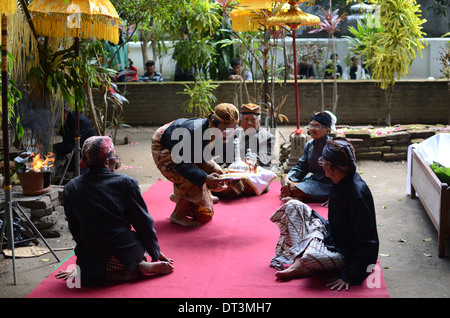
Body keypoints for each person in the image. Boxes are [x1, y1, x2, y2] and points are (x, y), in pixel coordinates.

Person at [57, 136, 174, 286]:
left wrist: (84, 256)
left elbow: (74, 227)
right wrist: (155, 252)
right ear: (106, 162)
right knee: (136, 241)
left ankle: (104, 273)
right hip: (124, 253)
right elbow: (143, 223)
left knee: (88, 261)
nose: (116, 161)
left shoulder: (70, 187)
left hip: (94, 256)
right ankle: (138, 265)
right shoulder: (126, 183)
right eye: (115, 158)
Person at [270, 137, 379, 291]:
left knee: (311, 256)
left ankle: (303, 262)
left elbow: (370, 243)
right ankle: (303, 260)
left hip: (344, 253)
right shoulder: (339, 181)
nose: (321, 166)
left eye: (323, 162)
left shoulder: (357, 194)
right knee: (293, 206)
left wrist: (350, 275)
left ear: (333, 167)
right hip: (330, 234)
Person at [151, 103, 239, 228]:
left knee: (218, 172)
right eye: (226, 130)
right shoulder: (194, 132)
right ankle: (177, 214)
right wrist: (205, 178)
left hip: (189, 147)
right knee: (191, 178)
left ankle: (201, 194)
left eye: (233, 128)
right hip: (165, 144)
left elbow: (210, 155)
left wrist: (230, 173)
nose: (229, 133)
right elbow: (181, 164)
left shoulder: (225, 131)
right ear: (213, 123)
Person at [214, 103, 275, 197]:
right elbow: (224, 156)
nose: (249, 123)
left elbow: (263, 161)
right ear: (241, 121)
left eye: (253, 120)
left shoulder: (267, 137)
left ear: (259, 121)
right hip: (233, 175)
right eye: (246, 119)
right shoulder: (235, 133)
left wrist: (239, 164)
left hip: (255, 176)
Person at [280, 111, 335, 203]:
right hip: (313, 181)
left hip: (328, 185)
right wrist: (288, 178)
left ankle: (300, 198)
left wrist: (336, 196)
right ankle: (301, 196)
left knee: (295, 190)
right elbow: (301, 167)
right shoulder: (309, 145)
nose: (312, 129)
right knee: (286, 183)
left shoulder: (333, 147)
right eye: (311, 125)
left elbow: (343, 173)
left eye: (317, 126)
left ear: (327, 130)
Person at [53, 104, 97, 174]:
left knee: (76, 171)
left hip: (89, 152)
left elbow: (69, 145)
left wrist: (51, 150)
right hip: (79, 150)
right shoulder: (67, 121)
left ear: (65, 112)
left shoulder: (77, 121)